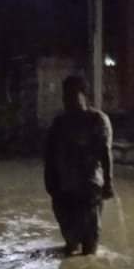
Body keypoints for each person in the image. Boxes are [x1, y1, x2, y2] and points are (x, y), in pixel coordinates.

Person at [45, 76, 114, 256]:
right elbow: (50, 154)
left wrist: (108, 182)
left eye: (72, 95)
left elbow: (105, 153)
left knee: (90, 246)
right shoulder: (59, 123)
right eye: (65, 96)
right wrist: (49, 182)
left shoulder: (97, 120)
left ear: (85, 95)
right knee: (70, 242)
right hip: (64, 189)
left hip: (89, 189)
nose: (67, 100)